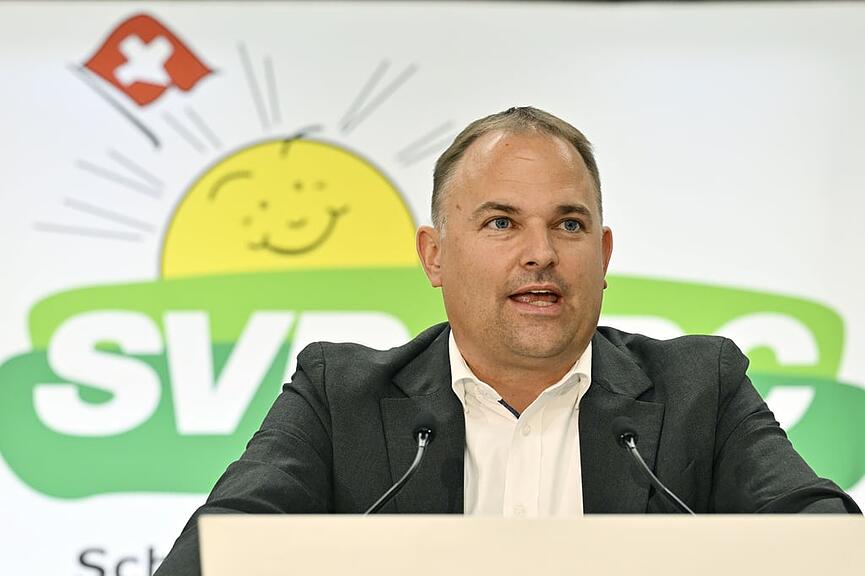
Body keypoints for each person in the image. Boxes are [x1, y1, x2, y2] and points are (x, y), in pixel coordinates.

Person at [154, 106, 859, 575]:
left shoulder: (700, 388)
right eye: (501, 223)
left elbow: (826, 544)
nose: (540, 253)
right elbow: (214, 556)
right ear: (434, 255)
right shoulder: (340, 397)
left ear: (603, 255)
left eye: (569, 225)